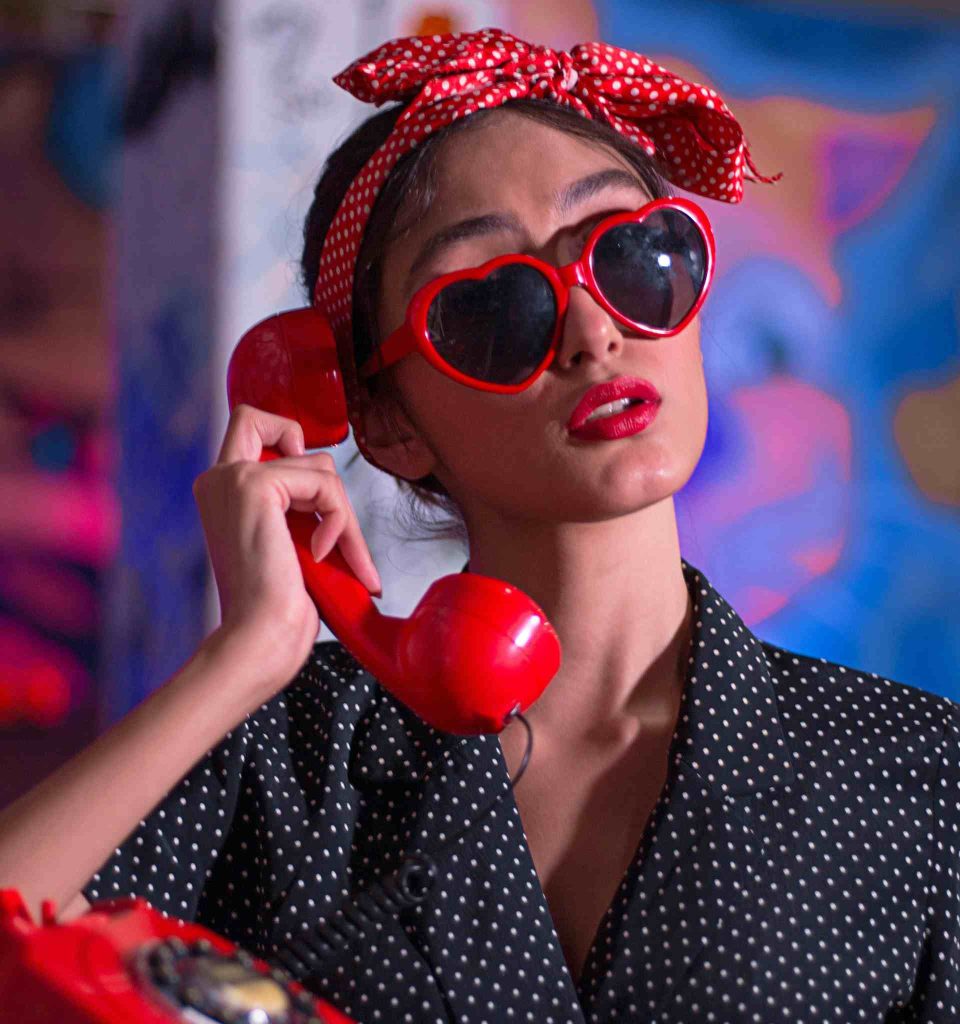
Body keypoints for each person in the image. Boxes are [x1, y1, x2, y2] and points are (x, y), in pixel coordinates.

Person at [1, 27, 958, 1024]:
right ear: (383, 420)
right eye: (494, 307)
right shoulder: (289, 759)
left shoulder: (917, 770)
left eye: (632, 255)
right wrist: (244, 659)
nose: (595, 330)